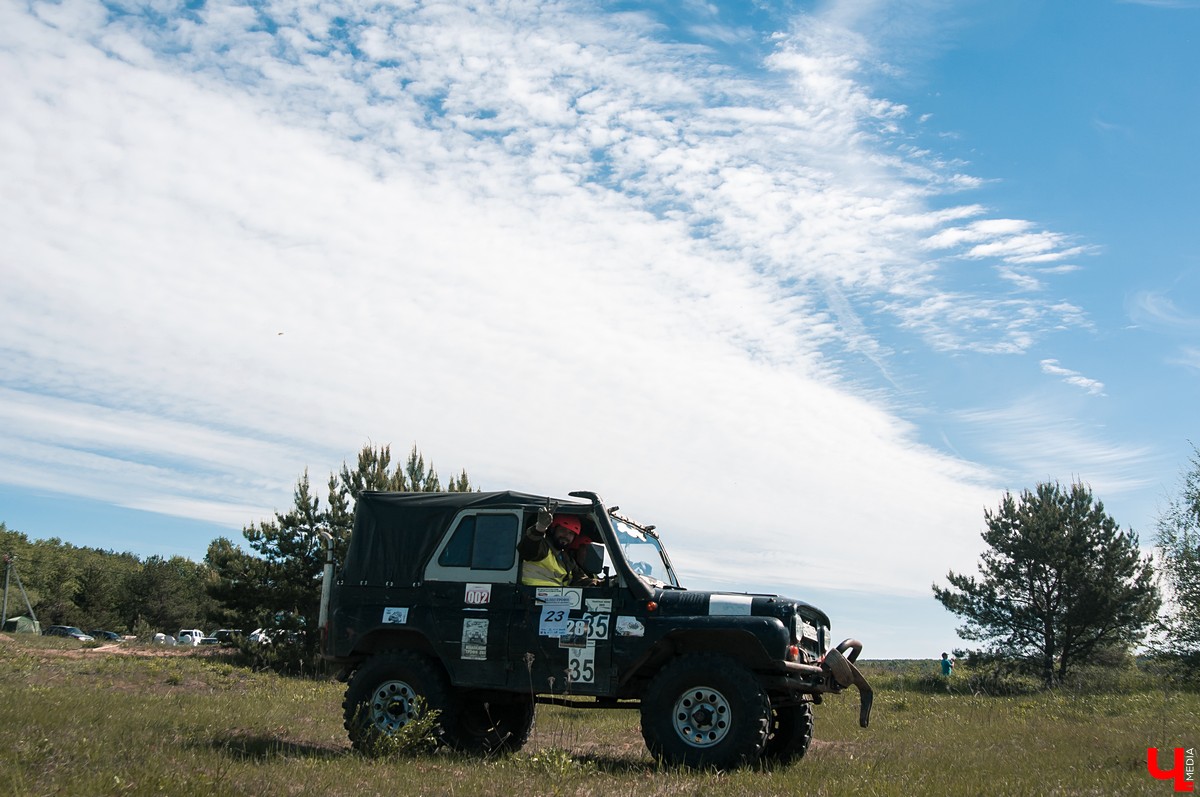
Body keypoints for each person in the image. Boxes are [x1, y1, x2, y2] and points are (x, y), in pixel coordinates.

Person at [518, 508, 598, 587]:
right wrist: (540, 528)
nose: (566, 536)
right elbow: (528, 550)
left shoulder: (567, 559)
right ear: (553, 529)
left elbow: (580, 580)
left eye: (571, 533)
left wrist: (602, 583)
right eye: (563, 530)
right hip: (530, 595)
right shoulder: (543, 546)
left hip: (556, 597)